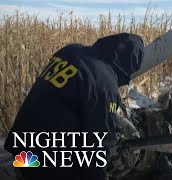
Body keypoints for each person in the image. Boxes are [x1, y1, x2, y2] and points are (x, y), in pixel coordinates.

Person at [4, 33, 144, 180]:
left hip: (22, 150)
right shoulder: (105, 82)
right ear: (128, 65)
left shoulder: (70, 51)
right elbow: (99, 142)